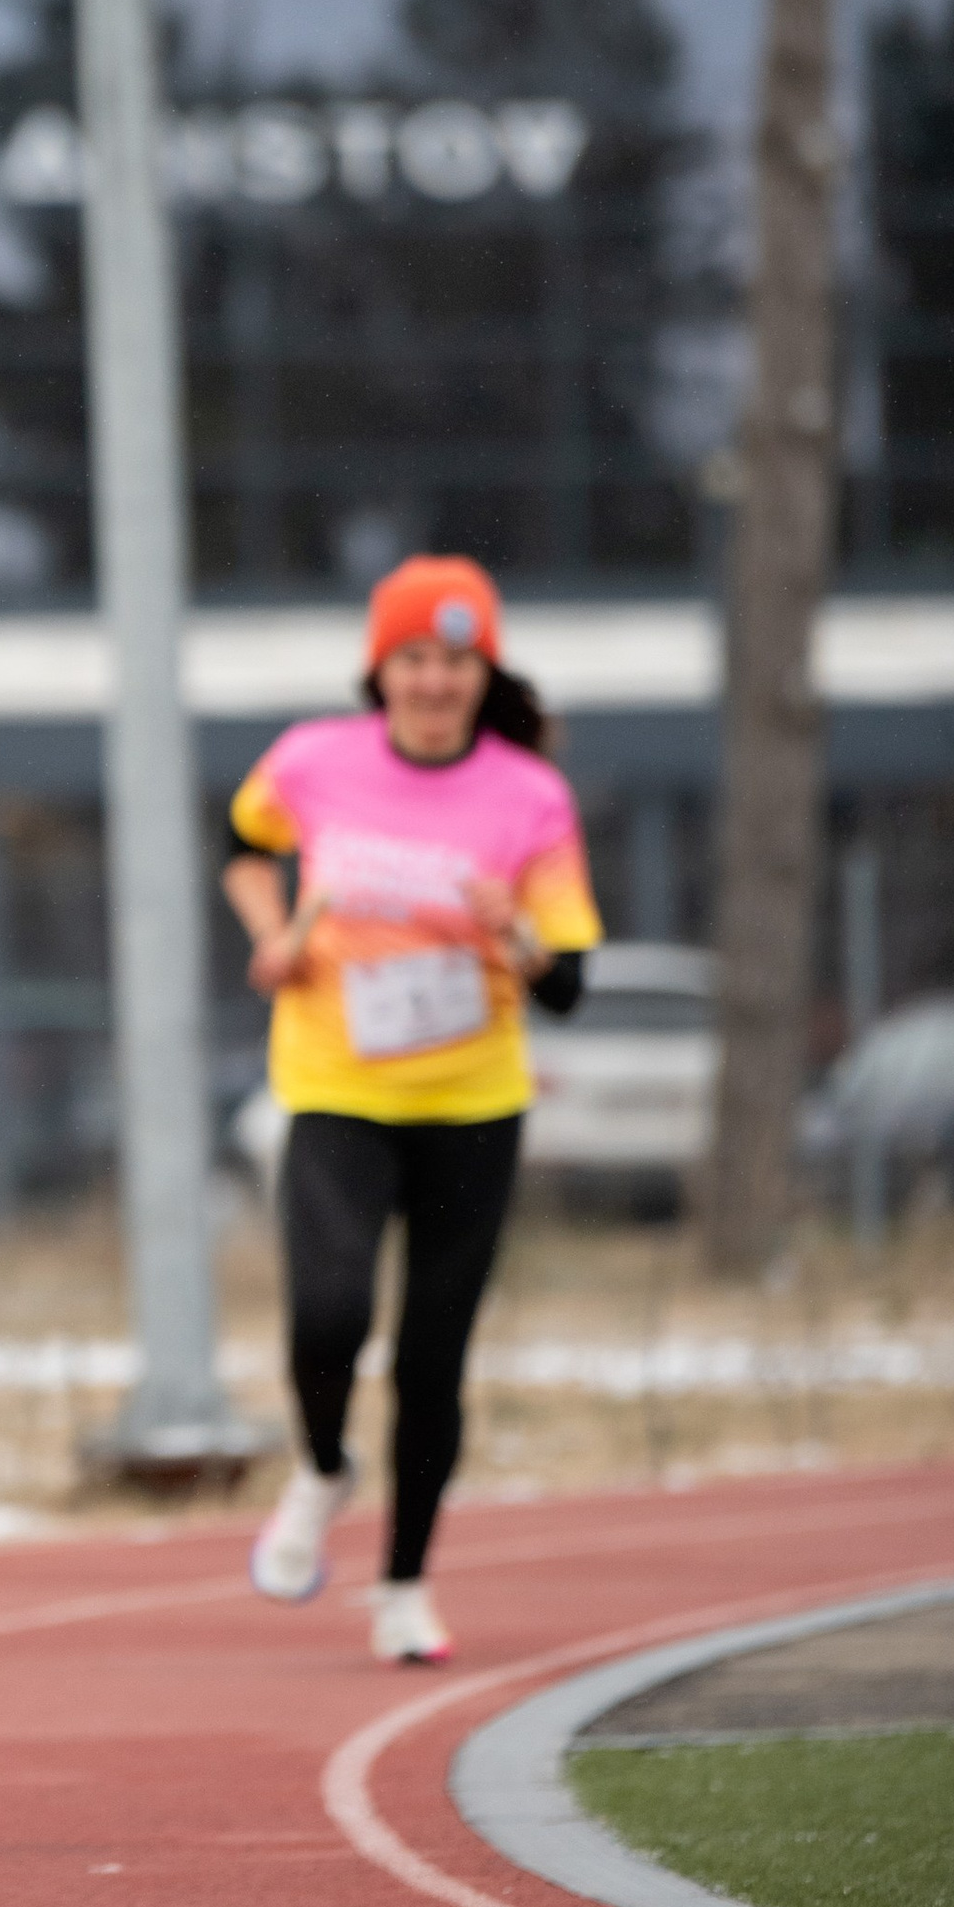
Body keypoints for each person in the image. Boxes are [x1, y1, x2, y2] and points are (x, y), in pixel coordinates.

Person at [222, 555, 601, 1664]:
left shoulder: (530, 796)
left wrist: (511, 932)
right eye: (415, 660)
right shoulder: (311, 762)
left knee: (434, 1355)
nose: (435, 682)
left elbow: (569, 981)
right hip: (337, 1085)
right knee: (328, 1318)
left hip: (473, 1103)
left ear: (486, 673)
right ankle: (326, 1465)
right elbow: (243, 845)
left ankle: (403, 1586)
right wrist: (272, 937)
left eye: (457, 661)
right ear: (378, 668)